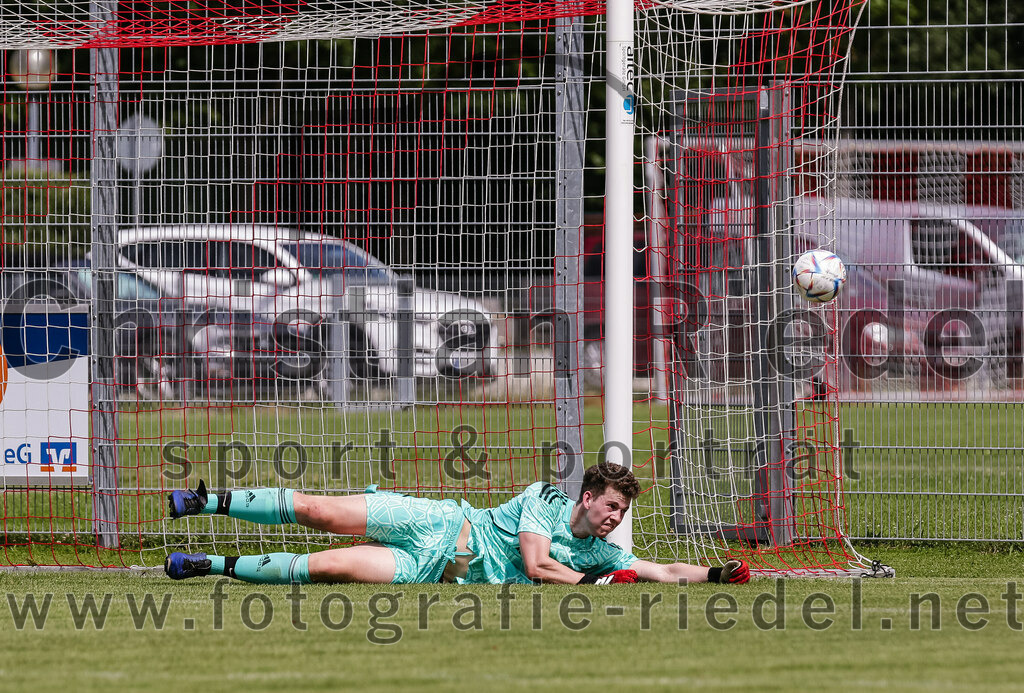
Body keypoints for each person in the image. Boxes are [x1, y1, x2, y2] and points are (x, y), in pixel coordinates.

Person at [164, 462, 750, 586]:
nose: (617, 519)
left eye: (623, 513)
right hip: (437, 523)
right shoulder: (544, 497)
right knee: (321, 513)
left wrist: (718, 575)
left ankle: (205, 565)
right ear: (589, 496)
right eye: (613, 507)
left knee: (330, 567)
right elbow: (535, 564)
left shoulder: (606, 553)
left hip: (432, 568)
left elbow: (662, 569)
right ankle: (206, 502)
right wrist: (593, 585)